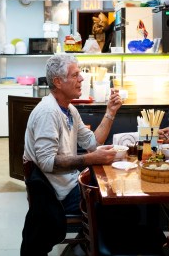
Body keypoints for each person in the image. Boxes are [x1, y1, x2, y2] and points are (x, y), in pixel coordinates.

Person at [21, 54, 122, 255]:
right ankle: (92, 245)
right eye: (75, 75)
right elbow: (48, 162)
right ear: (58, 82)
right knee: (114, 203)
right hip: (56, 194)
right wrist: (89, 159)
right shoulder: (48, 112)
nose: (82, 78)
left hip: (68, 183)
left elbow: (92, 143)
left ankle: (88, 243)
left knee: (114, 194)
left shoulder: (69, 109)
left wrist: (110, 112)